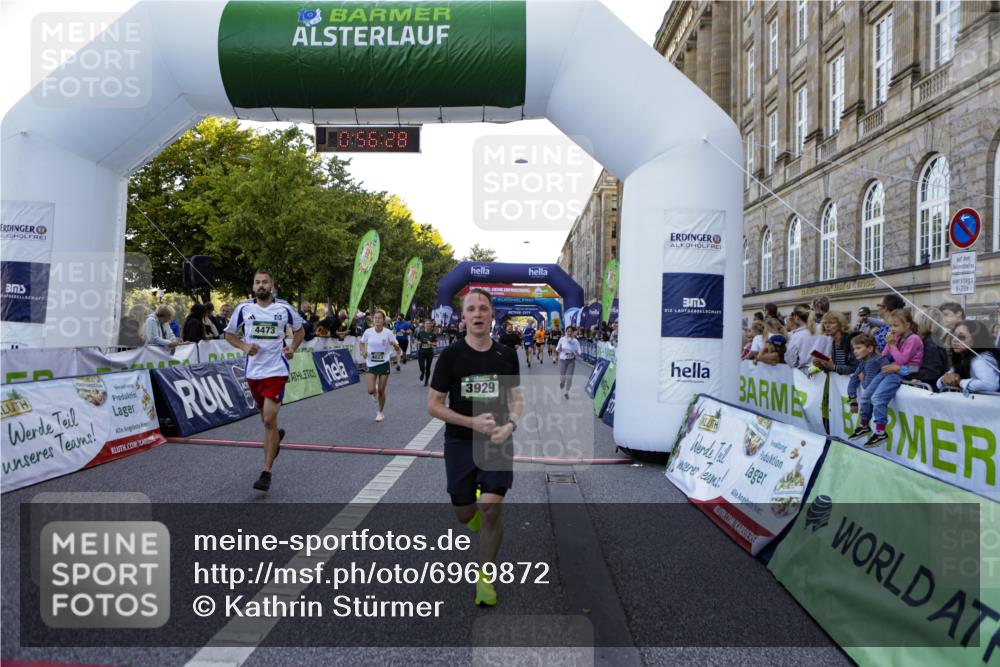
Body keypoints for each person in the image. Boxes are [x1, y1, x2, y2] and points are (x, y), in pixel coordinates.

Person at [428, 288, 522, 608]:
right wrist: (471, 423)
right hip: (459, 440)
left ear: (492, 314)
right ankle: (473, 511)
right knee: (464, 512)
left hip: (497, 441)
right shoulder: (452, 356)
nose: (478, 314)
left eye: (484, 308)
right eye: (472, 309)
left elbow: (516, 399)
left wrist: (510, 425)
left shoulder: (507, 355)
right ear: (464, 316)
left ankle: (485, 578)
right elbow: (434, 406)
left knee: (491, 507)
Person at [224, 270, 304, 492]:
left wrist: (292, 348)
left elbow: (300, 331)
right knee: (268, 422)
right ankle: (276, 438)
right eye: (257, 282)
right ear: (253, 287)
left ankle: (266, 472)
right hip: (253, 373)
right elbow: (229, 334)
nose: (261, 286)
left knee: (269, 419)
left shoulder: (284, 308)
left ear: (272, 286)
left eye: (265, 282)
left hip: (277, 369)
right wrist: (244, 346)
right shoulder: (243, 309)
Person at [849, 309, 923, 448]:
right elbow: (883, 357)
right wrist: (889, 345)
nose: (892, 329)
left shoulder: (913, 339)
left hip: (902, 373)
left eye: (895, 326)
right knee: (865, 396)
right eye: (890, 326)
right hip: (890, 370)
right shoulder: (897, 337)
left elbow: (902, 360)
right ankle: (864, 425)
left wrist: (893, 345)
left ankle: (881, 432)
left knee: (877, 398)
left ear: (907, 326)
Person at [360, 310, 403, 422]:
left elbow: (398, 348)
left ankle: (380, 412)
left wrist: (396, 346)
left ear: (383, 320)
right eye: (375, 318)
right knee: (370, 390)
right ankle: (374, 390)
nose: (377, 320)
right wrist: (363, 351)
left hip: (384, 363)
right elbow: (361, 342)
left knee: (381, 390)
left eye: (379, 318)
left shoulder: (388, 333)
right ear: (373, 320)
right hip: (371, 363)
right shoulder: (368, 332)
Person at [937, 320, 1000, 395]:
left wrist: (960, 382)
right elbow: (939, 383)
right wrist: (944, 380)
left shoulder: (980, 359)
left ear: (976, 339)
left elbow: (991, 384)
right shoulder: (963, 358)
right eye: (953, 336)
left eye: (961, 337)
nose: (954, 340)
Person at [809, 311, 857, 375]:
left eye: (832, 323)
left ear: (841, 324)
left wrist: (833, 367)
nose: (827, 326)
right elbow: (835, 367)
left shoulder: (851, 340)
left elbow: (855, 368)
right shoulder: (834, 341)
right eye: (825, 323)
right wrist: (820, 365)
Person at [846, 334, 882, 418]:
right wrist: (853, 400)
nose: (855, 351)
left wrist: (862, 379)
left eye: (858, 348)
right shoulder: (864, 361)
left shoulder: (873, 362)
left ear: (870, 349)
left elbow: (868, 387)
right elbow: (853, 379)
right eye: (854, 348)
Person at [911, 309, 949, 387]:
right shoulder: (930, 341)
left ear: (922, 322)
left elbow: (930, 373)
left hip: (931, 392)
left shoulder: (931, 344)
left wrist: (904, 371)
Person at [781, 304, 819, 371]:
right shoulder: (822, 330)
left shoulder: (796, 336)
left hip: (804, 374)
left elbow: (790, 361)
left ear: (797, 317)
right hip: (823, 373)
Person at [556, 326, 581, 399]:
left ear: (573, 332)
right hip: (563, 360)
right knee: (563, 377)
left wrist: (577, 352)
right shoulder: (562, 339)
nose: (569, 333)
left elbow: (579, 351)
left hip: (571, 361)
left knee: (569, 378)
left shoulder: (576, 341)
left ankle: (566, 392)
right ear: (566, 332)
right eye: (568, 331)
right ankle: (562, 382)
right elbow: (557, 349)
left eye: (571, 331)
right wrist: (560, 348)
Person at [416, 318, 437, 386]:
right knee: (421, 366)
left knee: (428, 367)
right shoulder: (420, 333)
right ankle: (422, 373)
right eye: (426, 324)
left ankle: (426, 381)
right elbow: (416, 340)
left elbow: (435, 344)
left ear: (431, 325)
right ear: (424, 325)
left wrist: (430, 343)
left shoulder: (433, 334)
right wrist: (419, 342)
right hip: (421, 352)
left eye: (429, 324)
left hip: (429, 352)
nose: (427, 325)